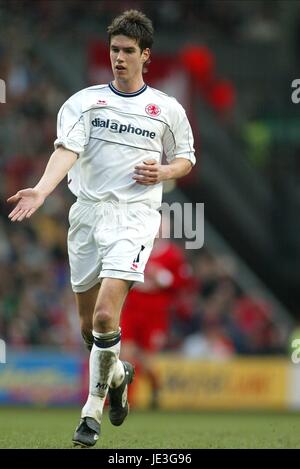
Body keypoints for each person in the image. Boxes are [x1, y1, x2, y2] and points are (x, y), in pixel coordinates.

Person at [7, 10, 196, 447]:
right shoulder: (84, 102)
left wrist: (165, 169)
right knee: (90, 330)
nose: (119, 58)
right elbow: (66, 151)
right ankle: (117, 375)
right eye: (114, 50)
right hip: (87, 216)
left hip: (133, 218)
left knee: (107, 314)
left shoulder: (167, 109)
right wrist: (39, 190)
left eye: (128, 51)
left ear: (145, 56)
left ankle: (89, 414)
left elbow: (187, 158)